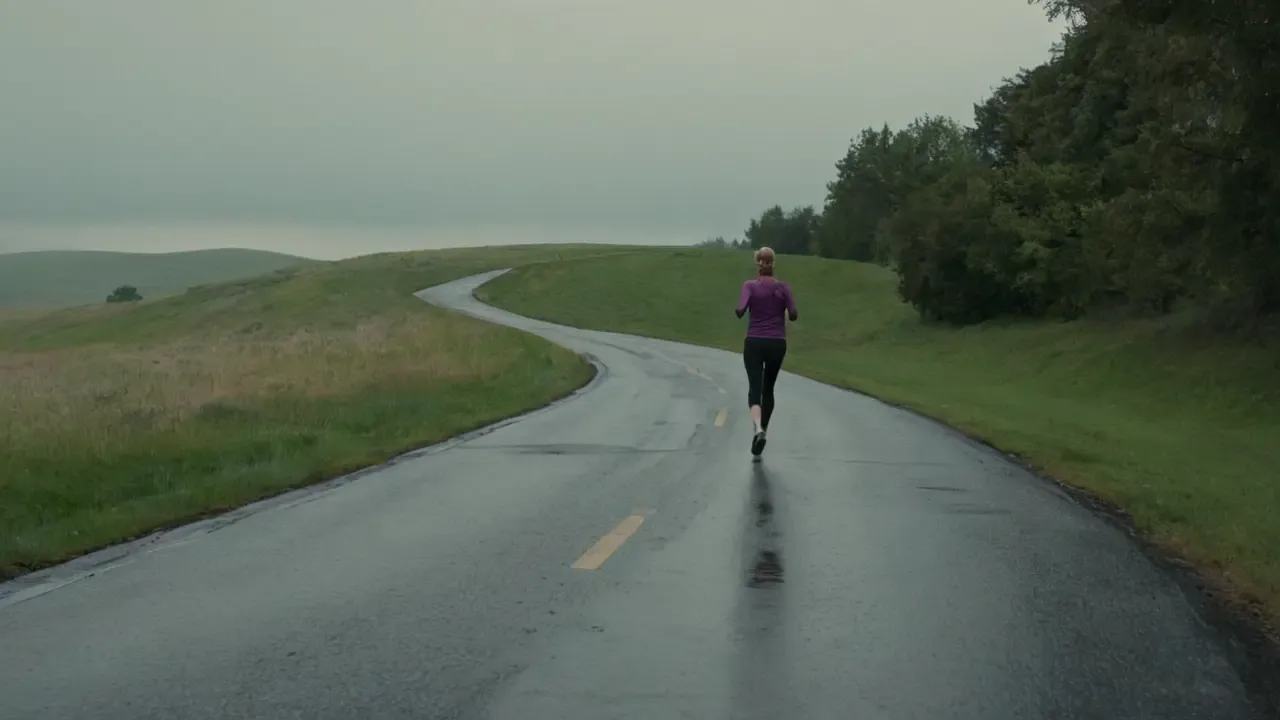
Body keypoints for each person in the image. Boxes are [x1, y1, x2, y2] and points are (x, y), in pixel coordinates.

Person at [734, 246, 797, 457]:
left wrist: (750, 303)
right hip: (777, 342)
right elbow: (794, 314)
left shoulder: (750, 286)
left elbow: (740, 311)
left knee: (755, 387)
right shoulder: (783, 287)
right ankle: (764, 431)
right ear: (773, 263)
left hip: (754, 341)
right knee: (768, 389)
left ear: (757, 264)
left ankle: (758, 428)